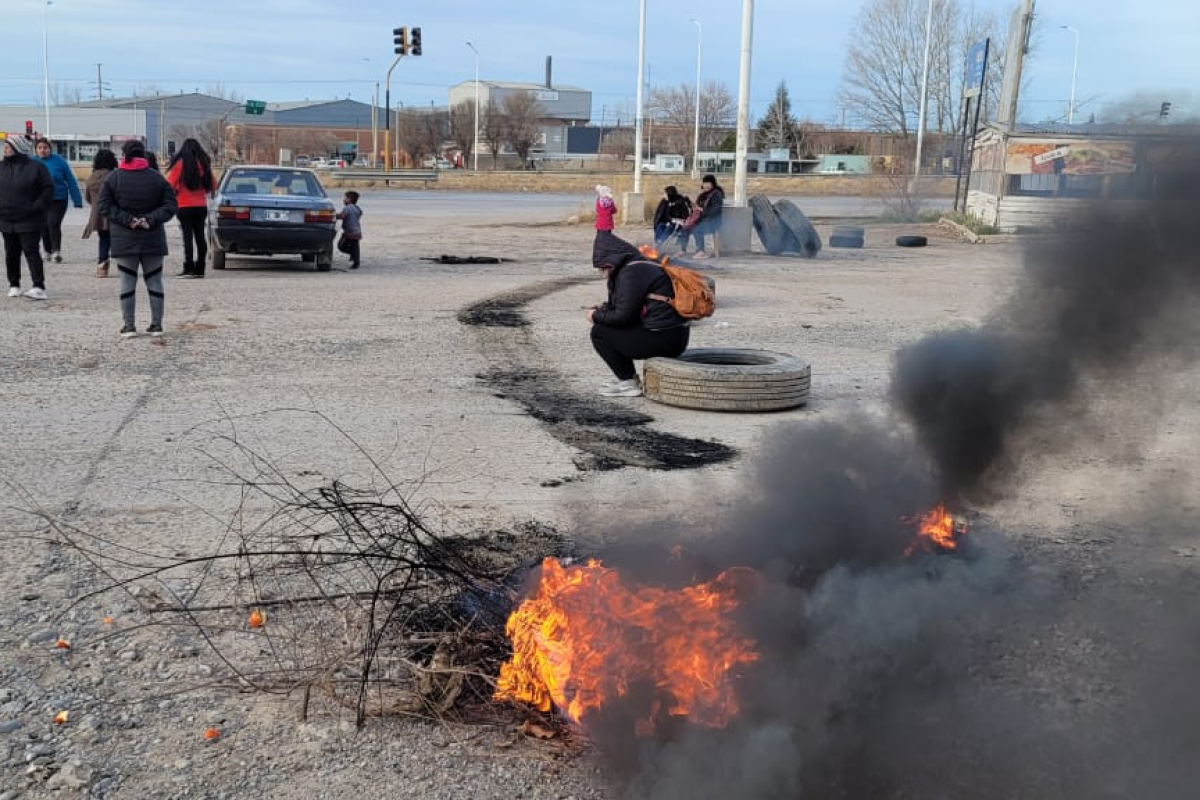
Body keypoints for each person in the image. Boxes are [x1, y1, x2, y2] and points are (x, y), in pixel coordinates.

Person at [587, 232, 690, 398]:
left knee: (599, 332)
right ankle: (627, 379)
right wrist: (603, 310)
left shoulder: (632, 272)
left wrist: (595, 316)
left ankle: (628, 382)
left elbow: (623, 317)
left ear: (610, 260)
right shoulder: (641, 265)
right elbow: (631, 307)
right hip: (674, 334)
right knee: (606, 325)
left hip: (665, 338)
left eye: (602, 266)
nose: (601, 271)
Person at [98, 139, 177, 338]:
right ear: (143, 154)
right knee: (155, 281)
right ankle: (156, 325)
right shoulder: (157, 179)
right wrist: (149, 219)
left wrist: (128, 220)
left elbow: (104, 207)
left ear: (123, 155)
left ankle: (129, 326)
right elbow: (170, 206)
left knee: (127, 282)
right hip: (153, 237)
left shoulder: (113, 178)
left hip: (124, 239)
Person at [0, 135, 54, 300]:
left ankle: (38, 286)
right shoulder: (1, 167)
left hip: (30, 219)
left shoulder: (36, 167)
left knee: (31, 252)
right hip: (6, 219)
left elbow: (48, 189)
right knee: (10, 253)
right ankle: (14, 285)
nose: (5, 149)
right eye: (5, 146)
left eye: (9, 146)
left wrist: (36, 207)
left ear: (17, 148)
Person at [165, 138, 214, 278]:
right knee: (200, 236)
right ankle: (201, 268)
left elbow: (169, 185)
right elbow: (213, 186)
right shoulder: (204, 165)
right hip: (201, 206)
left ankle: (189, 268)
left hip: (184, 206)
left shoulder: (180, 165)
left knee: (187, 238)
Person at [35, 137, 83, 263]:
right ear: (36, 150)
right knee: (43, 226)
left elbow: (70, 180)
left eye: (45, 148)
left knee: (53, 223)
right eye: (39, 148)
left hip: (58, 198)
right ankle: (47, 250)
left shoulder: (59, 161)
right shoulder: (32, 162)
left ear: (50, 149)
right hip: (40, 199)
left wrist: (77, 199)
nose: (42, 150)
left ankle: (56, 251)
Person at [83, 148, 118, 277]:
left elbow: (87, 197)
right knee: (117, 239)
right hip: (113, 213)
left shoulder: (91, 177)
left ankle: (102, 265)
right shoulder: (115, 175)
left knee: (103, 239)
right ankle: (123, 264)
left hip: (97, 215)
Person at [685, 173, 725, 259]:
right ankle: (695, 249)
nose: (706, 185)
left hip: (713, 221)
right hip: (704, 220)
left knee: (697, 229)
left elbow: (715, 210)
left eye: (708, 183)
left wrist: (702, 210)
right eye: (704, 183)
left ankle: (701, 251)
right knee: (687, 226)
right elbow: (697, 208)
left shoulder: (716, 194)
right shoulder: (704, 194)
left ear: (713, 184)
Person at [652, 185, 692, 250]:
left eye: (665, 193)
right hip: (668, 221)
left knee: (671, 226)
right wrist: (669, 220)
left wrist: (676, 221)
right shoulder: (664, 201)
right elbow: (661, 214)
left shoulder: (681, 202)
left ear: (670, 194)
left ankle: (660, 243)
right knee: (660, 225)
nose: (664, 195)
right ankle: (657, 244)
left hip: (678, 224)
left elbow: (685, 215)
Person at [335, 190, 363, 269]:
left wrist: (333, 215)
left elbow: (342, 216)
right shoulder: (357, 208)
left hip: (349, 232)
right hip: (357, 231)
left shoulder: (347, 208)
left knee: (341, 246)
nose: (343, 200)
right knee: (355, 247)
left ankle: (353, 255)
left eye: (345, 198)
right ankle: (356, 261)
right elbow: (360, 213)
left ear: (349, 199)